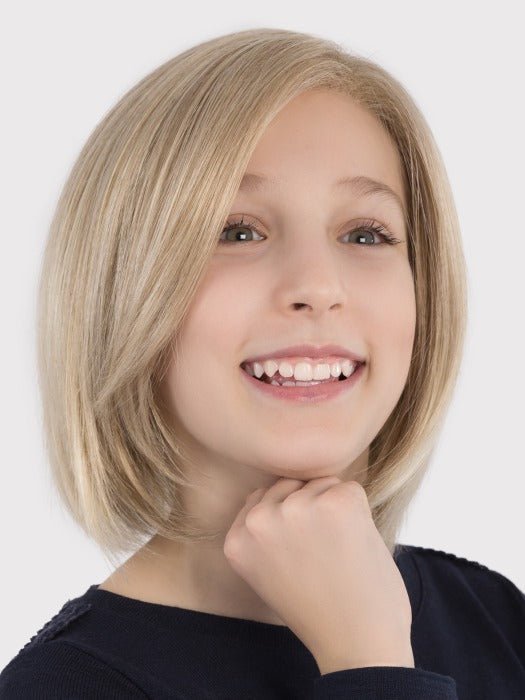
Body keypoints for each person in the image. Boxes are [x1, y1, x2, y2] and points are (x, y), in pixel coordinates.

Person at [1, 27, 523, 699]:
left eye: (366, 234)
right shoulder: (64, 688)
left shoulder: (495, 617)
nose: (318, 286)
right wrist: (368, 661)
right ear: (125, 290)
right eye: (238, 231)